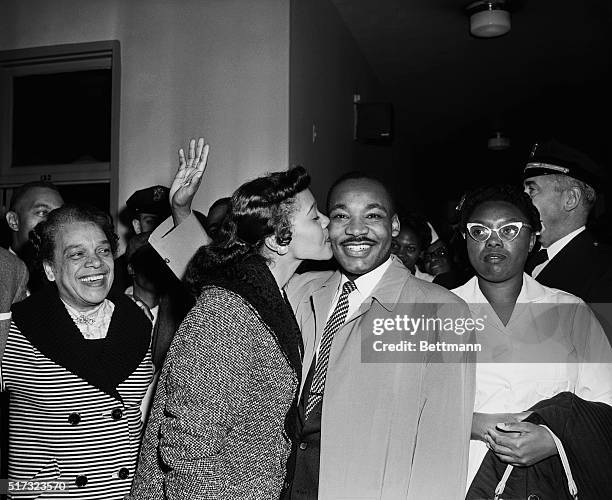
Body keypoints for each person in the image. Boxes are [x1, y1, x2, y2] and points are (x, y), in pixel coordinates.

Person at [150, 142, 476, 498]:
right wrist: (182, 213)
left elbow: (443, 447)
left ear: (395, 225)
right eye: (339, 216)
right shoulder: (298, 289)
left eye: (373, 215)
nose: (355, 229)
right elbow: (226, 281)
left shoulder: (441, 312)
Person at [129, 164, 332, 499]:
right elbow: (187, 456)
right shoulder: (226, 315)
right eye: (314, 216)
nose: (326, 221)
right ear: (277, 240)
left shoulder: (267, 294)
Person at [450, 185, 612, 494]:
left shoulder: (570, 311)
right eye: (479, 231)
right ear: (465, 240)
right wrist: (482, 426)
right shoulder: (437, 311)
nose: (493, 241)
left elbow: (604, 404)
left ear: (532, 238)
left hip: (550, 483)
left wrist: (553, 440)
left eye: (509, 230)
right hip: (462, 482)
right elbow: (411, 409)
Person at [1, 205, 154, 499]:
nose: (96, 263)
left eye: (104, 251)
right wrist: (20, 492)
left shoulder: (137, 319)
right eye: (76, 254)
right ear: (49, 269)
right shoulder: (18, 326)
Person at [523, 140, 612, 304]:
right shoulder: (521, 257)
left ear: (571, 199)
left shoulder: (604, 272)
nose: (522, 201)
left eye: (532, 190)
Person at [390, 211, 434, 281]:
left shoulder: (430, 284)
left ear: (421, 253)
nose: (400, 254)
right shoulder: (371, 277)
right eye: (394, 245)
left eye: (410, 248)